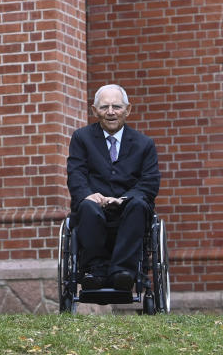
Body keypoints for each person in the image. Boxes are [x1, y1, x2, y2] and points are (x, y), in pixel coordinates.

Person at [66, 84, 160, 291]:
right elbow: (76, 174)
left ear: (127, 110)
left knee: (138, 205)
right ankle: (95, 271)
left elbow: (149, 182)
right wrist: (89, 195)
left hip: (129, 209)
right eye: (104, 107)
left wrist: (123, 199)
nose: (110, 112)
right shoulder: (82, 139)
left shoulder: (144, 144)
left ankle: (123, 273)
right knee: (87, 207)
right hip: (94, 207)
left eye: (116, 107)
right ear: (94, 111)